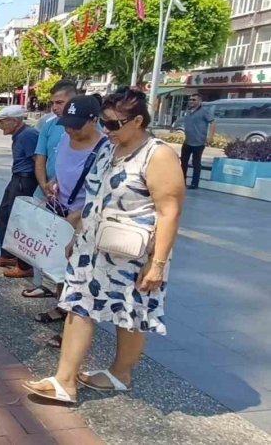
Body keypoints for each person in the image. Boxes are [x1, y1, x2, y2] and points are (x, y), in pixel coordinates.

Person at [22, 88, 185, 404]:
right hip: (92, 248)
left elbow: (170, 211)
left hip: (134, 255)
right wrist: (77, 236)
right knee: (77, 305)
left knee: (132, 314)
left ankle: (120, 373)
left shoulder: (158, 154)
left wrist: (158, 264)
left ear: (138, 120)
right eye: (105, 123)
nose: (107, 130)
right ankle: (64, 381)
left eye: (113, 124)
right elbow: (95, 199)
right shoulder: (109, 149)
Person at [25, 96, 108, 348]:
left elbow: (106, 192)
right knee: (61, 267)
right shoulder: (64, 139)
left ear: (94, 120)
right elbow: (63, 172)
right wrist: (55, 184)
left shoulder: (105, 148)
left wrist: (81, 214)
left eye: (77, 125)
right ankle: (62, 308)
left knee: (81, 278)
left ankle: (73, 333)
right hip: (61, 211)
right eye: (67, 124)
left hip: (87, 220)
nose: (70, 130)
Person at [24, 81, 78, 286]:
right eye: (53, 102)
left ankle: (63, 289)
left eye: (60, 102)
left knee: (66, 243)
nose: (55, 107)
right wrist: (44, 185)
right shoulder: (49, 125)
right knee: (41, 237)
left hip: (73, 200)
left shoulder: (91, 126)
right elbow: (40, 158)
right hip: (46, 192)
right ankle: (40, 285)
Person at [0, 105, 39, 277]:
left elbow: (38, 160)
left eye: (2, 122)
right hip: (17, 177)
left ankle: (24, 266)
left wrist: (42, 183)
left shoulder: (28, 135)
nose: (0, 126)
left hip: (25, 180)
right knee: (4, 214)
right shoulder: (20, 135)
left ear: (14, 121)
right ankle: (8, 254)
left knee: (18, 219)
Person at [180, 93, 215, 190]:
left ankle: (195, 184)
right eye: (190, 99)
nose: (191, 101)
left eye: (194, 100)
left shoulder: (204, 111)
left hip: (199, 142)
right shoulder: (188, 111)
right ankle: (182, 181)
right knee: (183, 162)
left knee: (196, 163)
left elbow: (213, 122)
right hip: (187, 141)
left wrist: (210, 137)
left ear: (199, 101)